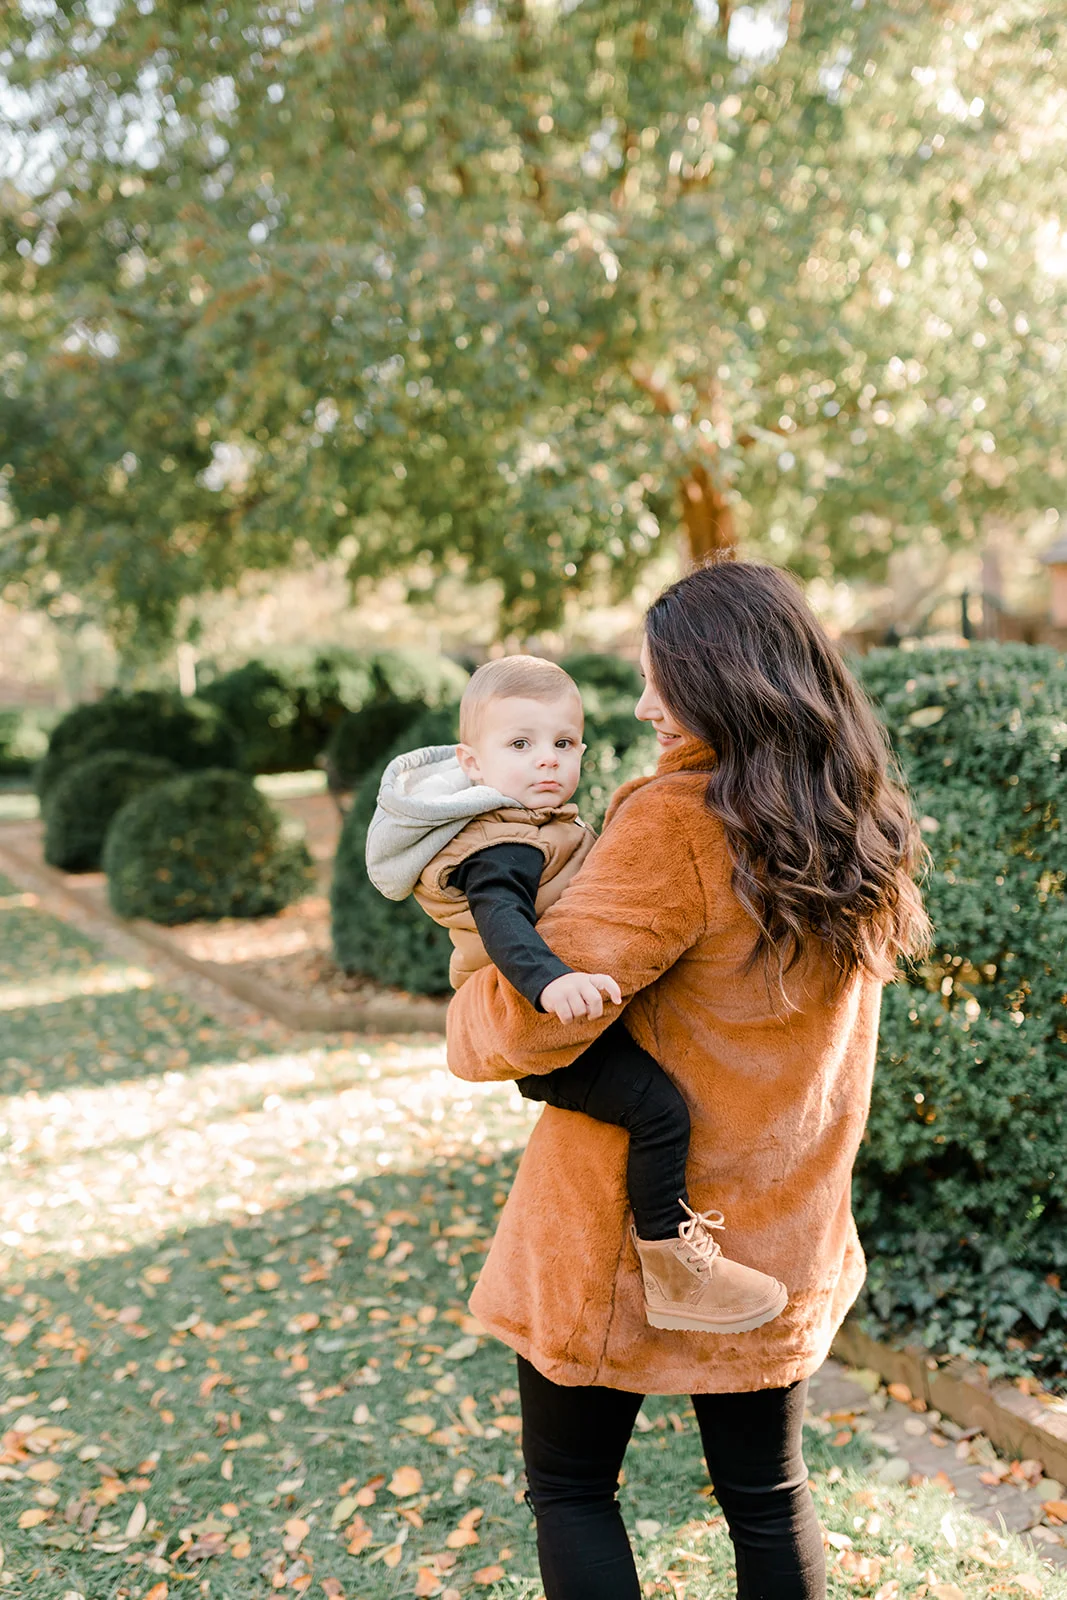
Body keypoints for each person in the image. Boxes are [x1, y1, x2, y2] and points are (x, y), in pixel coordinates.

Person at [445, 561, 930, 1600]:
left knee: (572, 1487)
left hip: (623, 1232)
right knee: (766, 1493)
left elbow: (535, 1018)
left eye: (658, 678)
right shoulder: (855, 818)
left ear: (723, 680)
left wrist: (464, 1009)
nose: (641, 704)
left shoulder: (675, 826)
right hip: (781, 1217)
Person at [365, 655, 787, 1334]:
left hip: (564, 1014)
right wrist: (549, 981)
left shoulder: (537, 823)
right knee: (657, 1112)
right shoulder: (502, 843)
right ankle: (673, 1264)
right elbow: (502, 923)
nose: (545, 763)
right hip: (544, 1033)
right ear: (473, 764)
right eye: (520, 746)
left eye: (562, 745)